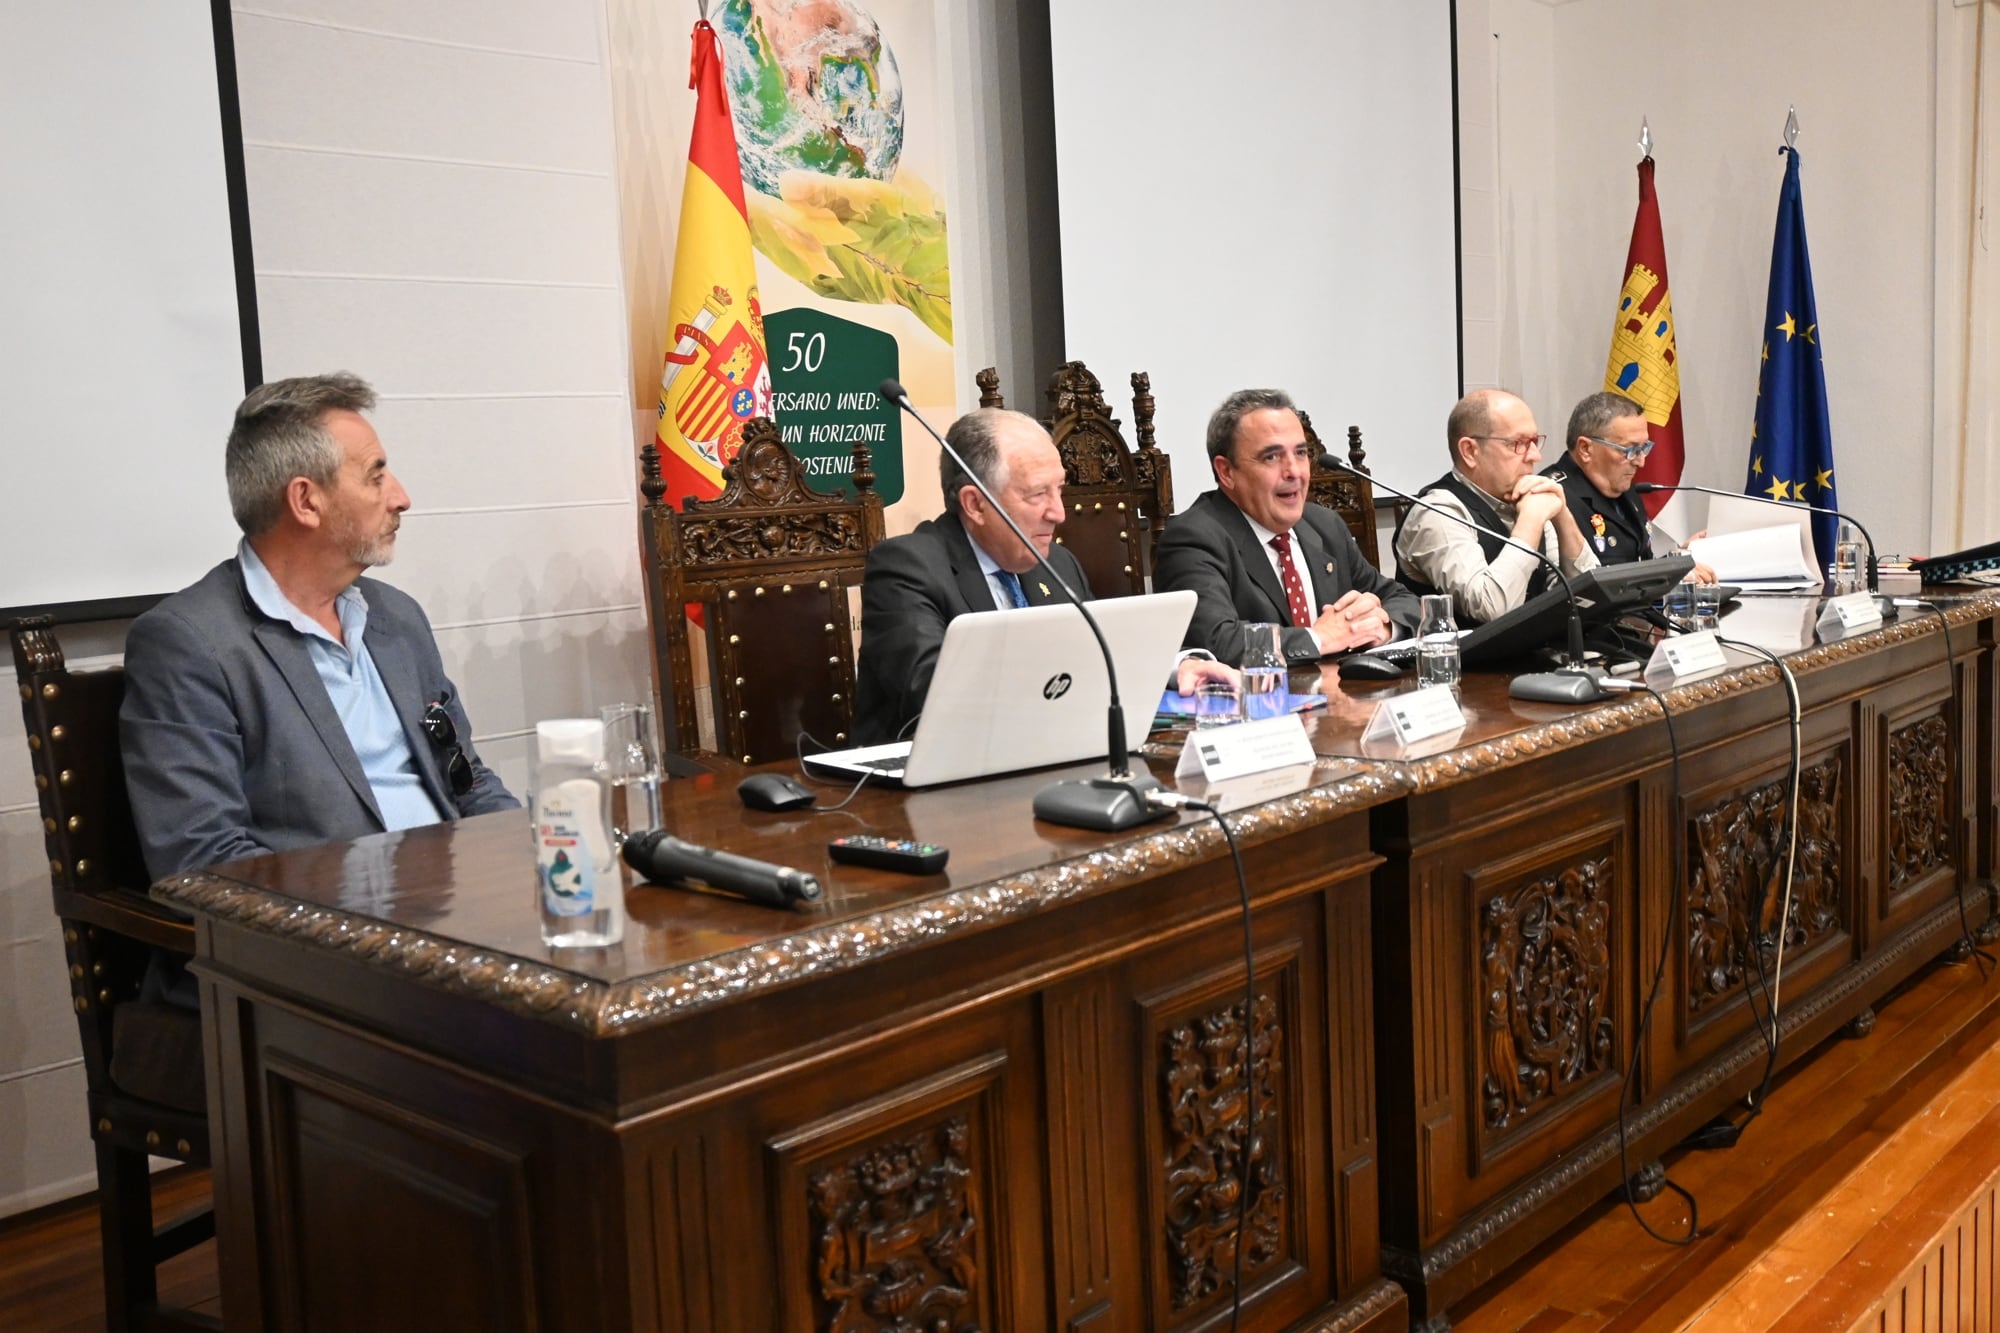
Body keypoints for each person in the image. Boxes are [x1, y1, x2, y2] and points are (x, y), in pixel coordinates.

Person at [122, 372, 518, 886]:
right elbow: (204, 858)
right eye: (375, 476)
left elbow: (467, 783)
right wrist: (391, 903)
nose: (401, 497)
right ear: (306, 501)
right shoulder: (188, 644)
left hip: (458, 905)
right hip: (322, 942)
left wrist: (531, 854)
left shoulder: (396, 617)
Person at [852, 407, 1231, 745]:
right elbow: (935, 692)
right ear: (975, 503)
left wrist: (1174, 666)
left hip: (1043, 758)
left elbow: (1097, 648)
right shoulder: (908, 566)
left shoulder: (1058, 562)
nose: (1058, 513)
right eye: (1037, 495)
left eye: (1059, 490)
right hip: (918, 790)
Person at [1152, 388, 1419, 665]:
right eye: (1271, 457)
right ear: (1226, 472)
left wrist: (1384, 627)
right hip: (1254, 704)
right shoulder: (1194, 538)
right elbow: (1216, 641)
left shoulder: (1324, 526)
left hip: (1339, 698)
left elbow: (1403, 599)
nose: (1295, 471)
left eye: (1301, 453)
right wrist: (1319, 639)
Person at [1393, 388, 1599, 625]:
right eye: (1519, 444)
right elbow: (1492, 610)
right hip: (1467, 660)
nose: (1535, 456)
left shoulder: (1528, 499)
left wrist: (1562, 517)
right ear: (1470, 451)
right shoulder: (1437, 512)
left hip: (1538, 654)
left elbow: (1590, 598)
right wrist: (1530, 523)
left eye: (1534, 442)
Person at [1544, 390, 1717, 583]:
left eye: (1644, 448)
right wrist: (1666, 573)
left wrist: (1678, 560)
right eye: (1631, 450)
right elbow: (1586, 587)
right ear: (1586, 449)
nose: (1641, 462)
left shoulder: (1625, 489)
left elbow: (1635, 565)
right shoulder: (1553, 498)